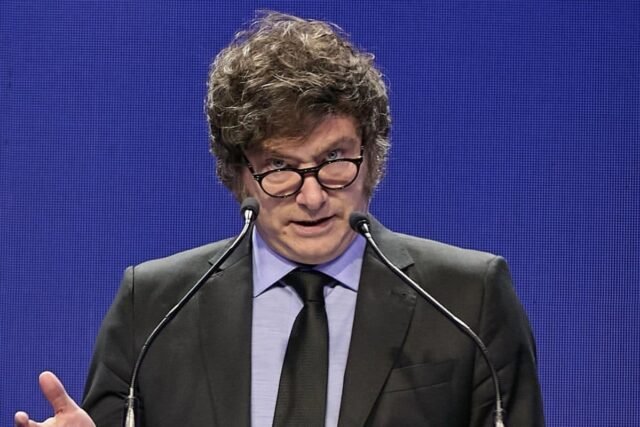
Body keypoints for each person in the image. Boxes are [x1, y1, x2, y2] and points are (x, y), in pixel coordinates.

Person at [16, 11, 545, 427]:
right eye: (279, 168)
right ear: (239, 175)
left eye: (334, 159)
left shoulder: (467, 298)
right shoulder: (154, 307)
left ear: (372, 158)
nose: (312, 197)